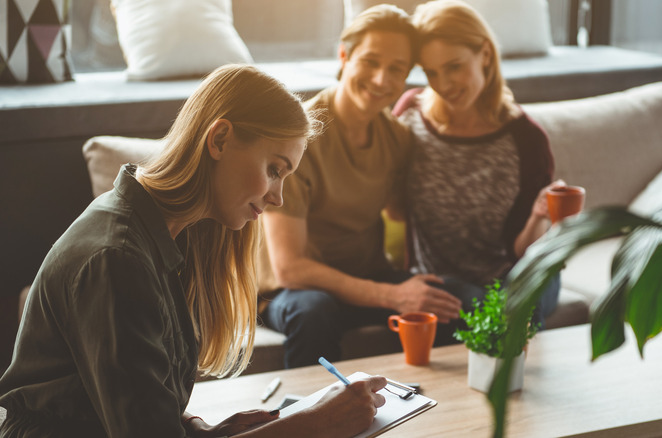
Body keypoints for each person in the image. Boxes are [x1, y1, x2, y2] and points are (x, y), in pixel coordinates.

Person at [0, 64, 387, 438]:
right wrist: (314, 425)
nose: (278, 197)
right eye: (274, 169)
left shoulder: (164, 232)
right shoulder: (117, 258)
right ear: (219, 139)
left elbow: (129, 394)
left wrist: (194, 426)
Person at [260, 4, 485, 369]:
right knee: (314, 311)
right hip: (293, 292)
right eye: (370, 61)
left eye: (396, 69)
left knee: (464, 299)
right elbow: (289, 268)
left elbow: (402, 213)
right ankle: (313, 420)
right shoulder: (297, 138)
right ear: (344, 55)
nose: (382, 79)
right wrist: (393, 295)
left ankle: (449, 411)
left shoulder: (396, 137)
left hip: (368, 278)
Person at [391, 0, 561, 326]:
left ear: (484, 53)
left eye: (454, 66)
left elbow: (521, 250)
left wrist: (540, 215)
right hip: (444, 280)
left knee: (518, 303)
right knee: (463, 297)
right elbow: (393, 206)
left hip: (513, 273)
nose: (443, 85)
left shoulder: (526, 139)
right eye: (431, 72)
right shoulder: (411, 114)